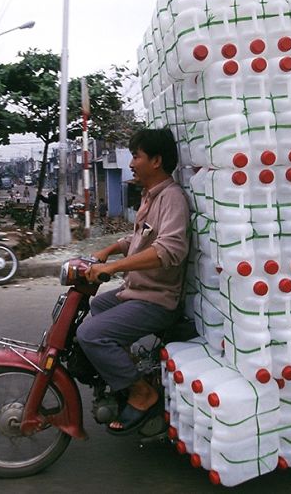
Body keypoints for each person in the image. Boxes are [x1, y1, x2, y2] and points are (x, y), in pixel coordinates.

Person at [77, 128, 189, 434]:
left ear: (155, 160)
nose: (131, 163)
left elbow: (169, 250)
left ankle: (142, 393)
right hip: (136, 290)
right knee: (95, 306)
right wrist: (109, 249)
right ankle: (125, 370)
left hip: (157, 299)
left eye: (136, 156)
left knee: (90, 335)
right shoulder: (151, 197)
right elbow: (139, 239)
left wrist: (114, 268)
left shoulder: (172, 198)